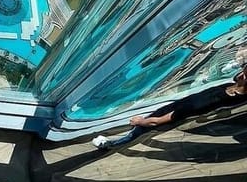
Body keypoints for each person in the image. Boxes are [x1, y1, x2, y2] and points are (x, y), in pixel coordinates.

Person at [93, 61, 247, 150]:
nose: (240, 73)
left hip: (173, 116)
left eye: (244, 74)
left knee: (139, 131)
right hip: (179, 106)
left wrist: (142, 121)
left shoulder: (218, 99)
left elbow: (165, 119)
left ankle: (111, 145)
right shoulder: (230, 86)